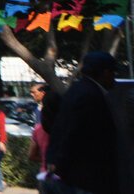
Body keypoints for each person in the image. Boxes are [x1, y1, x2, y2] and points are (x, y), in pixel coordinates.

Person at [45, 51, 123, 194]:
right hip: (88, 178)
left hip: (77, 176)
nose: (114, 79)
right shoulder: (90, 96)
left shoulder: (76, 90)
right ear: (105, 73)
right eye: (113, 73)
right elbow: (72, 133)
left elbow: (57, 128)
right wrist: (60, 164)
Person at [29, 83, 51, 179]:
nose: (32, 94)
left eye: (34, 92)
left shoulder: (49, 109)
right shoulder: (37, 108)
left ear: (43, 93)